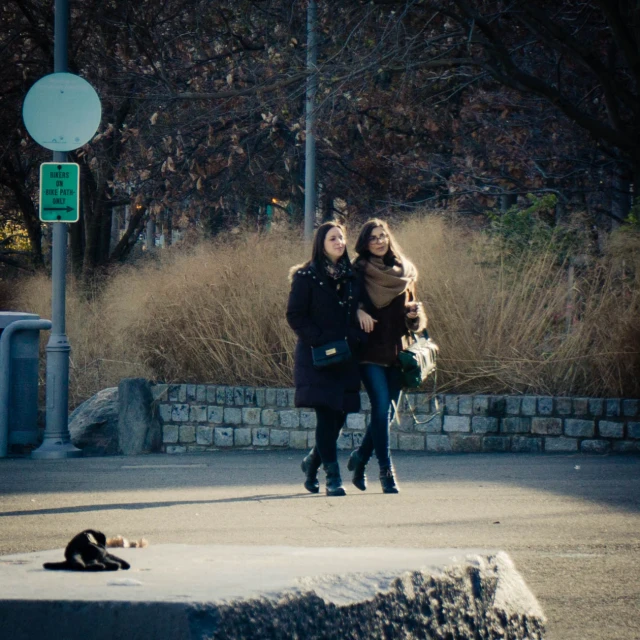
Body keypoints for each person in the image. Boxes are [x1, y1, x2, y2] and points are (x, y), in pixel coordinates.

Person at [348, 219, 427, 494]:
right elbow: (346, 304)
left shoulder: (405, 271)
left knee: (387, 415)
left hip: (398, 352)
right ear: (365, 243)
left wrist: (415, 316)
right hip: (370, 351)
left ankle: (360, 459)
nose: (380, 241)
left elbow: (415, 320)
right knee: (381, 409)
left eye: (383, 236)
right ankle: (386, 471)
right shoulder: (358, 271)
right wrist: (357, 311)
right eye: (373, 238)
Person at [286, 222, 364, 496]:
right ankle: (333, 476)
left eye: (342, 237)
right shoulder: (306, 276)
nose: (340, 242)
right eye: (333, 238)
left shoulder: (353, 276)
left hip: (345, 355)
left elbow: (359, 309)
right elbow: (295, 315)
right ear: (321, 243)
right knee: (325, 415)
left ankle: (312, 463)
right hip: (317, 357)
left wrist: (353, 336)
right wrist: (319, 339)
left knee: (339, 416)